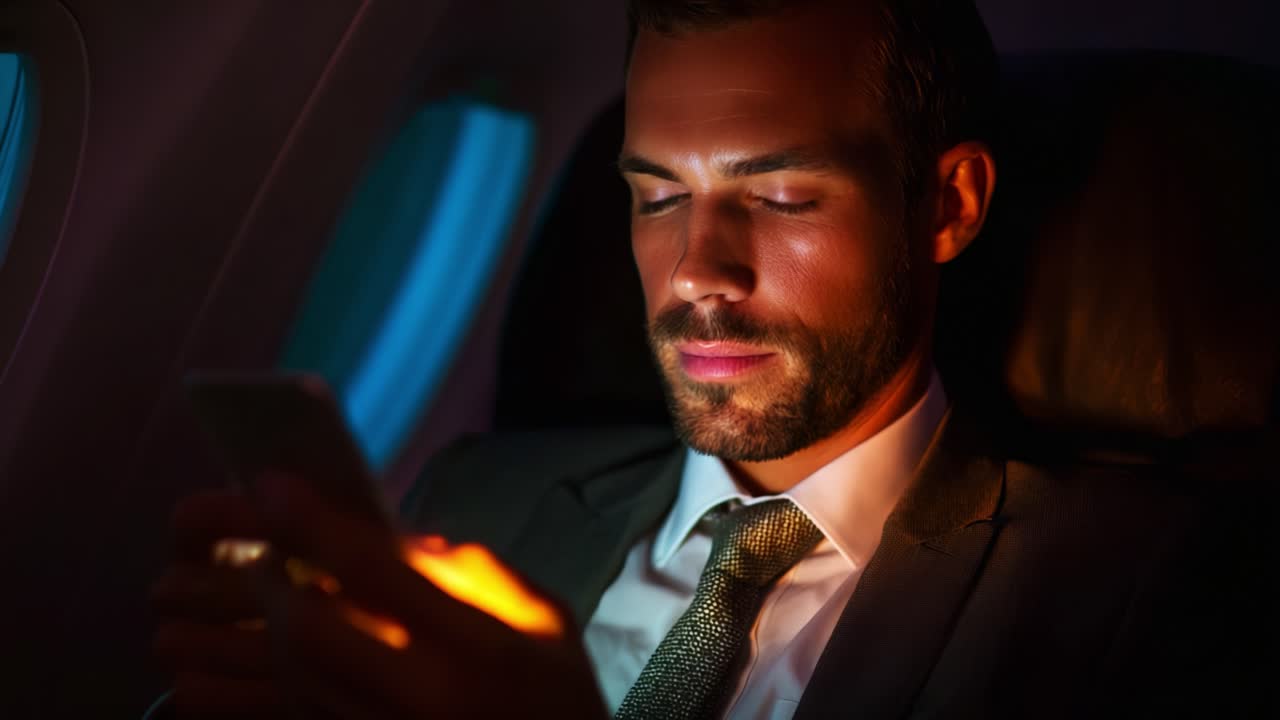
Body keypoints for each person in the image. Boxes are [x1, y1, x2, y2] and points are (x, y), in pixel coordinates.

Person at [152, 1, 1214, 717]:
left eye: (780, 197)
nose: (697, 269)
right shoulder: (473, 497)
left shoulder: (1149, 599)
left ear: (946, 205)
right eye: (657, 197)